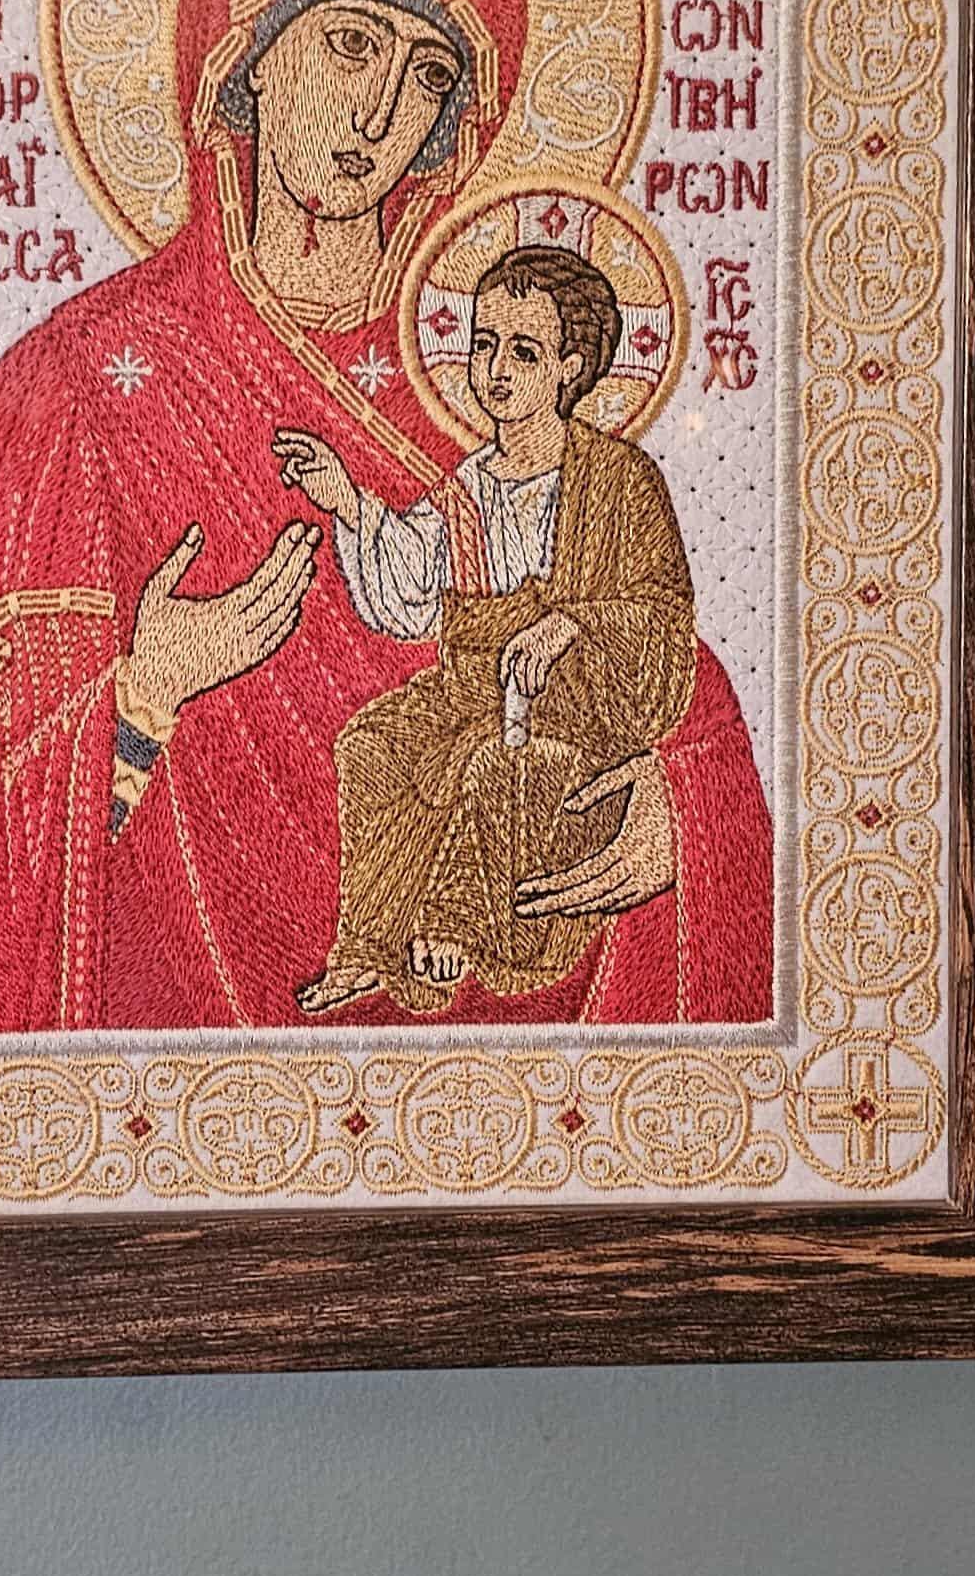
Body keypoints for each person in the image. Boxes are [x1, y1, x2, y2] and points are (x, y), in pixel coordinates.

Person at [0, 0, 772, 1032]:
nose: (380, 110)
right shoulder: (70, 387)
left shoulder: (492, 386)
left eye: (427, 74)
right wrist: (146, 692)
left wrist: (684, 812)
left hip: (526, 1015)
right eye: (350, 43)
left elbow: (658, 648)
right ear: (246, 55)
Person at [277, 245, 700, 1014]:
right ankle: (367, 948)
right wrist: (347, 500)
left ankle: (453, 925)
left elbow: (662, 616)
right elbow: (410, 591)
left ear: (570, 367)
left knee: (489, 763)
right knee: (370, 743)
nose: (496, 368)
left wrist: (569, 622)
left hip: (578, 706)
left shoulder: (619, 481)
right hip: (471, 688)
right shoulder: (470, 486)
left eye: (524, 350)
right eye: (483, 343)